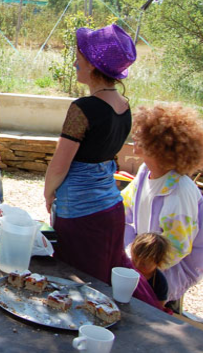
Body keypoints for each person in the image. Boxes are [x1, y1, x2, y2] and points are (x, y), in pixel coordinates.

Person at [44, 24, 137, 284]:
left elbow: (60, 165)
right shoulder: (125, 106)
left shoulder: (82, 108)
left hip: (80, 213)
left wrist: (49, 192)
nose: (75, 63)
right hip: (111, 206)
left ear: (94, 65)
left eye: (80, 58)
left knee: (76, 283)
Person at [122, 103, 203, 303]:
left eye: (143, 133)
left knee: (146, 302)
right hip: (148, 255)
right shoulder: (145, 173)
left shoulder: (179, 192)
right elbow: (124, 207)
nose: (135, 135)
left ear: (159, 145)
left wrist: (139, 265)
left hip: (173, 267)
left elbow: (177, 248)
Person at [130, 232, 171, 306]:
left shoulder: (160, 282)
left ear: (158, 263)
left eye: (143, 264)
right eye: (134, 260)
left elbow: (159, 308)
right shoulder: (127, 269)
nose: (137, 265)